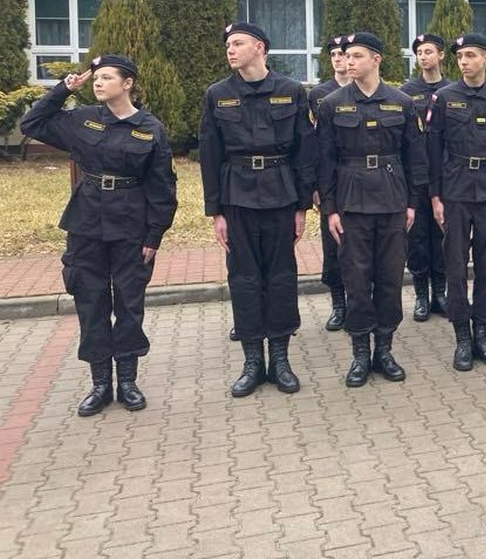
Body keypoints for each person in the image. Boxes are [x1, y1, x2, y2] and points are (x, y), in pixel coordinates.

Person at [21, 55, 177, 416]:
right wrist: (63, 89)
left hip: (131, 224)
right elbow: (32, 123)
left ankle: (128, 382)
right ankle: (100, 384)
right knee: (90, 302)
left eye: (107, 77)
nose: (98, 83)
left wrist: (154, 235)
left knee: (128, 303)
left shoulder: (149, 128)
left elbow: (163, 186)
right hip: (87, 222)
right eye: (96, 78)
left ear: (128, 83)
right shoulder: (83, 119)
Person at [200, 23, 316, 397]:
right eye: (227, 45)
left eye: (237, 43)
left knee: (281, 277)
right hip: (236, 196)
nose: (230, 50)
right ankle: (252, 361)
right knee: (244, 278)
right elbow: (209, 154)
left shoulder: (291, 91)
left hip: (281, 194)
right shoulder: (218, 94)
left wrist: (302, 206)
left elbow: (304, 151)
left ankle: (280, 360)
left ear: (260, 48)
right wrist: (216, 212)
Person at [317, 32, 426, 387]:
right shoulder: (332, 104)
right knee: (356, 279)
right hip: (351, 201)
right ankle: (361, 354)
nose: (349, 61)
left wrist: (412, 203)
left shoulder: (401, 102)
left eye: (357, 56)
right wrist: (330, 209)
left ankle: (385, 351)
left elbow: (415, 157)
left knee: (390, 277)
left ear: (376, 59)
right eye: (346, 56)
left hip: (392, 199)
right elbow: (325, 162)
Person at [426, 34, 486, 371]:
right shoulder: (444, 98)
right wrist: (435, 196)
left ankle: (482, 334)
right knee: (454, 265)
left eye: (470, 55)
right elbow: (432, 151)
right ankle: (462, 337)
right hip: (455, 190)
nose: (463, 61)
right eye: (460, 56)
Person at [402, 33, 450, 321]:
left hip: (445, 174)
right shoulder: (407, 92)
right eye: (419, 52)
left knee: (442, 234)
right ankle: (421, 295)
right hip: (416, 175)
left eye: (429, 51)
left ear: (441, 55)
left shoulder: (452, 91)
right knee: (417, 238)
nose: (423, 56)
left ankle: (440, 294)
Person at [307, 35, 352, 331]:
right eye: (333, 54)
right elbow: (313, 143)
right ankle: (338, 305)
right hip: (330, 182)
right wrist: (314, 185)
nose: (338, 59)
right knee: (332, 244)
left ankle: (362, 302)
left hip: (360, 181)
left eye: (343, 54)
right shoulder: (318, 95)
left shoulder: (367, 92)